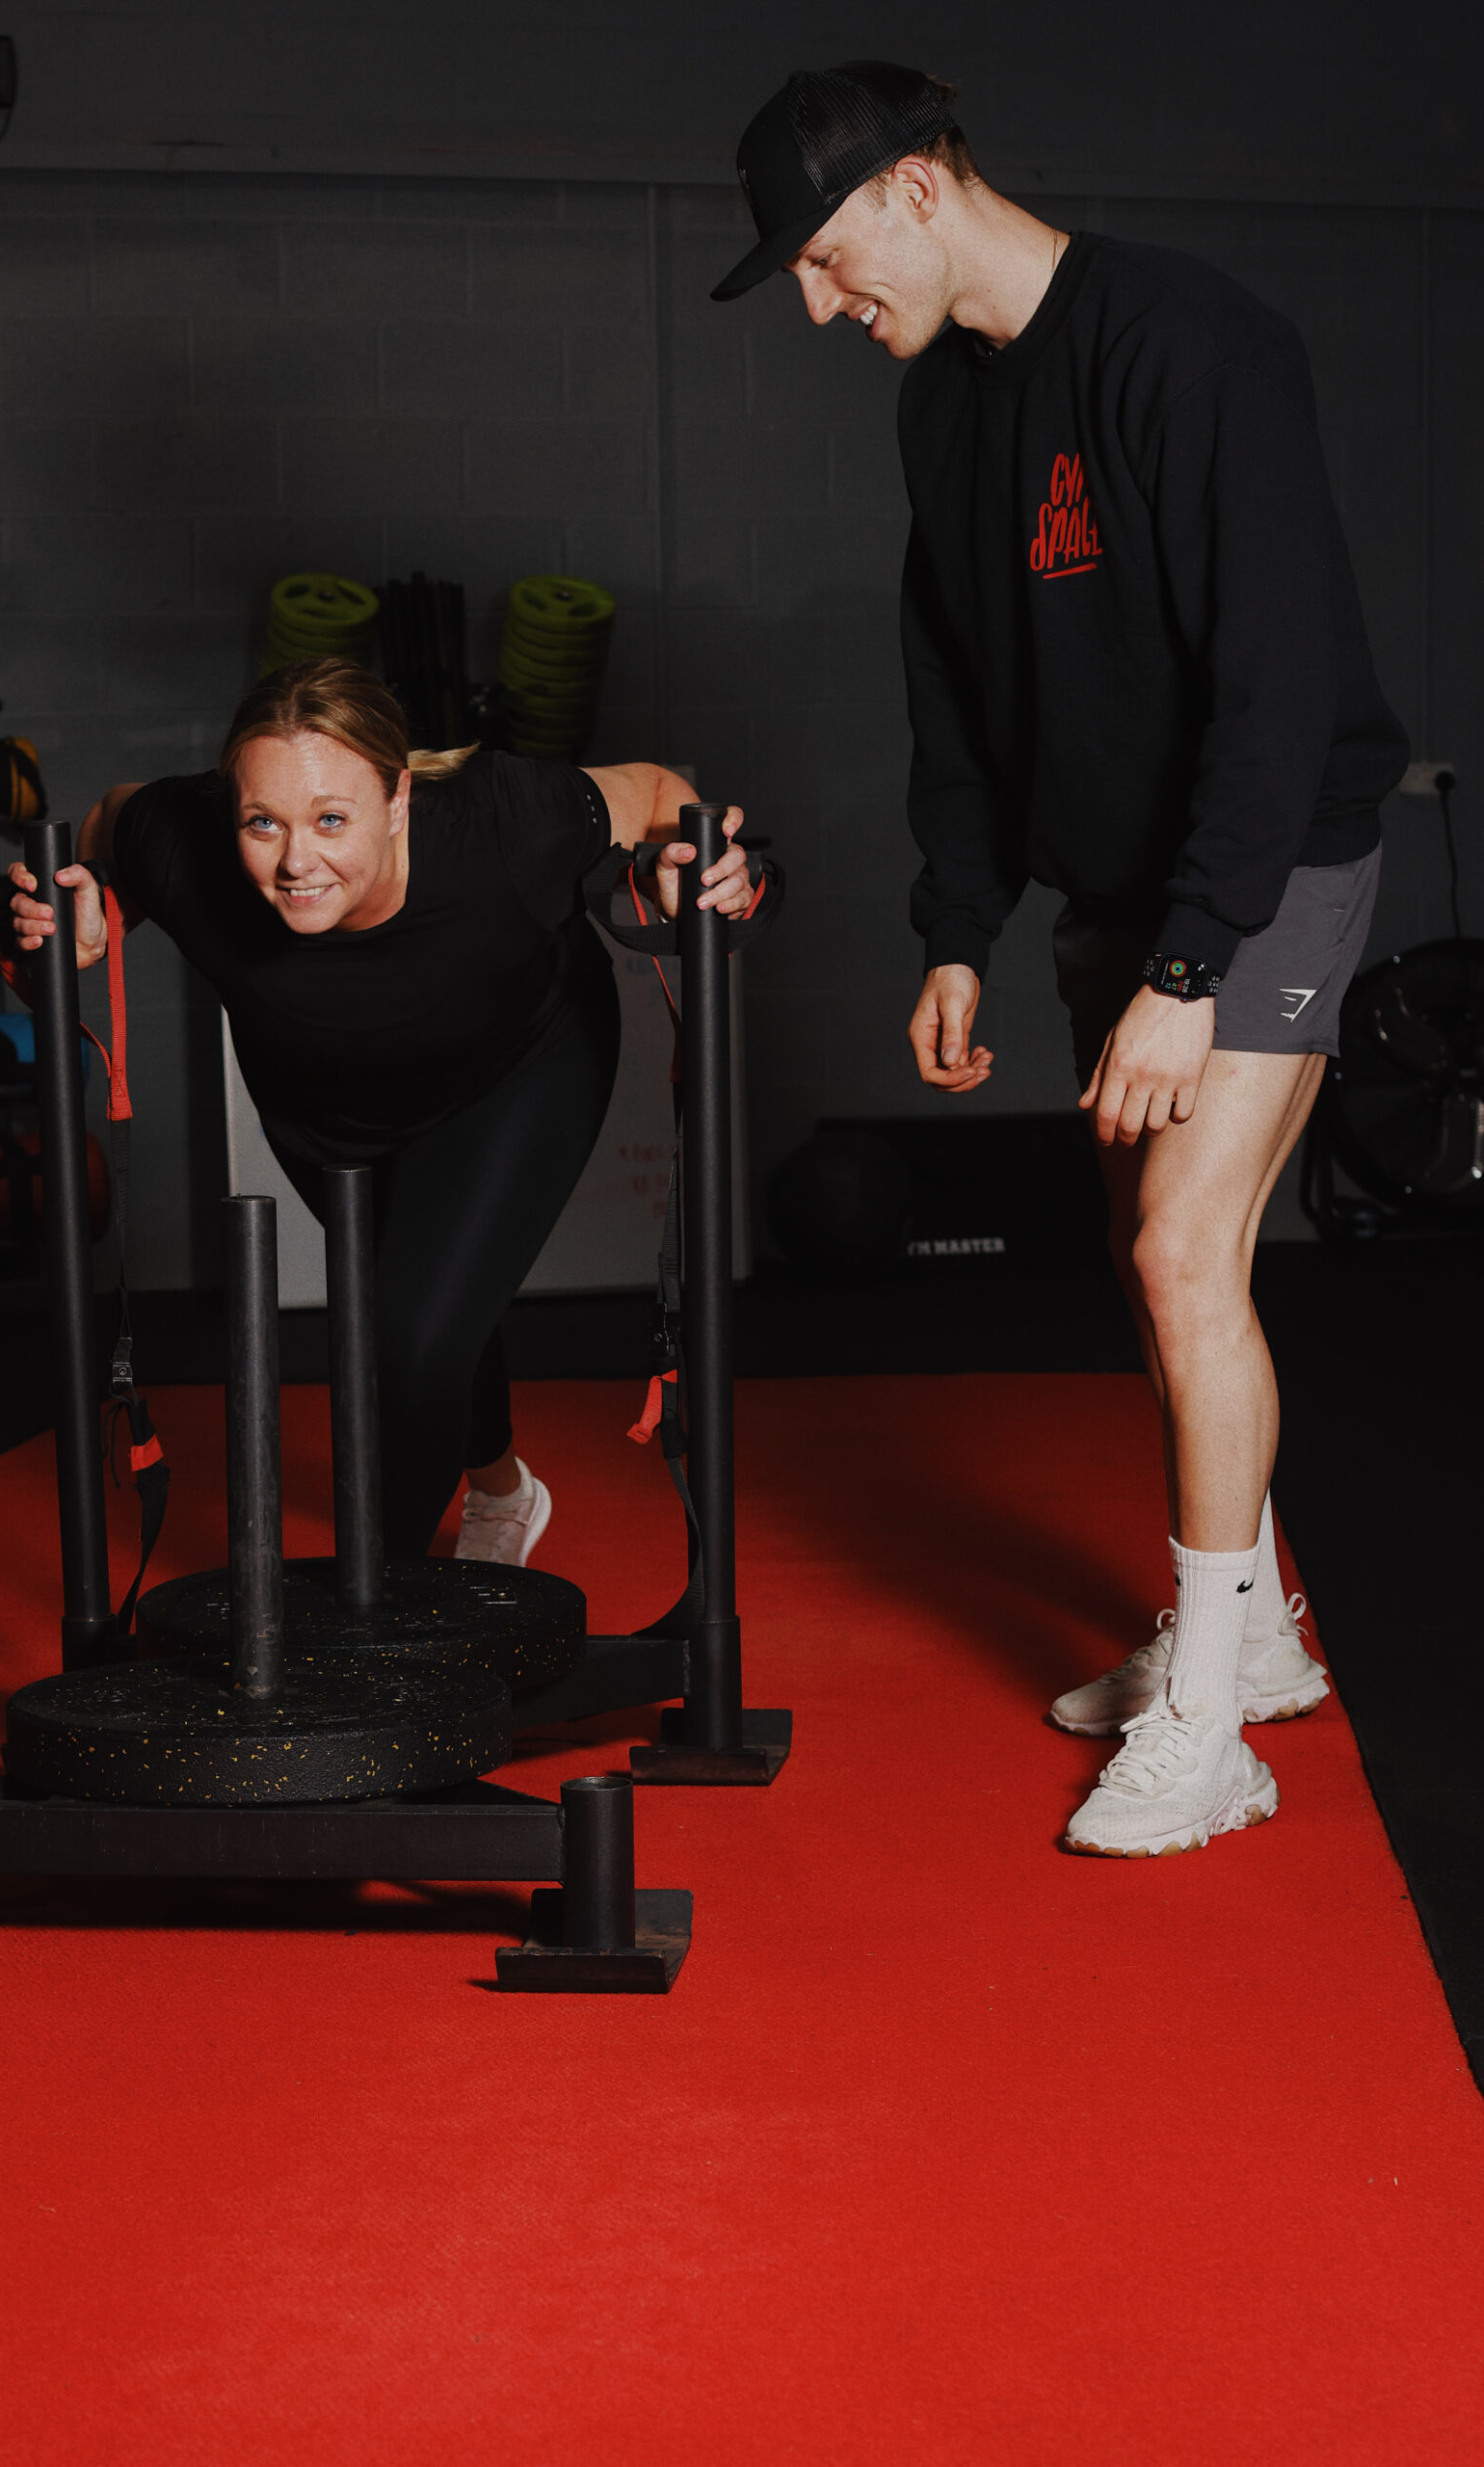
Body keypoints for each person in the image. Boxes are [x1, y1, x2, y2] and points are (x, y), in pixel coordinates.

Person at [713, 61, 1408, 1856]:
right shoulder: (938, 408)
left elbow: (1275, 684)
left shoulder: (1191, 342)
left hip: (1266, 863)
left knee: (1186, 1248)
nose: (812, 298)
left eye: (822, 252)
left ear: (921, 186)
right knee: (1144, 1252)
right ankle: (1249, 1631)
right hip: (1113, 883)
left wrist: (1189, 972)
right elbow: (950, 678)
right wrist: (959, 923)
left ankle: (1207, 1733)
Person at [9, 656, 753, 1567]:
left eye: (331, 819)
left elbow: (654, 791)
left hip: (518, 1069)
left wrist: (699, 865)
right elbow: (111, 820)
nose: (295, 860)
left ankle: (377, 1604)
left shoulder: (500, 823)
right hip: (324, 1102)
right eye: (262, 822)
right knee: (422, 1302)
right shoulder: (185, 841)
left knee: (410, 1329)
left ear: (398, 801)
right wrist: (102, 908)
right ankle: (503, 1491)